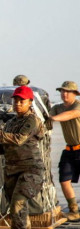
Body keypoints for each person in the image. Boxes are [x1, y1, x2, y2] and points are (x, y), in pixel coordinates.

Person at [0, 86, 45, 229]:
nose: (18, 104)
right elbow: (1, 147)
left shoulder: (32, 121)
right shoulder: (11, 123)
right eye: (16, 100)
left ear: (30, 102)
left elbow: (18, 140)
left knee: (17, 205)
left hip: (30, 171)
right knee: (18, 210)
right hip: (12, 172)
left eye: (22, 101)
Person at [50, 81, 80, 221]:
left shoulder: (77, 106)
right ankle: (74, 210)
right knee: (64, 179)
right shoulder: (57, 107)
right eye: (62, 91)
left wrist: (53, 119)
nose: (64, 94)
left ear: (75, 94)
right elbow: (45, 115)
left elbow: (71, 114)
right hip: (69, 149)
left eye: (67, 91)